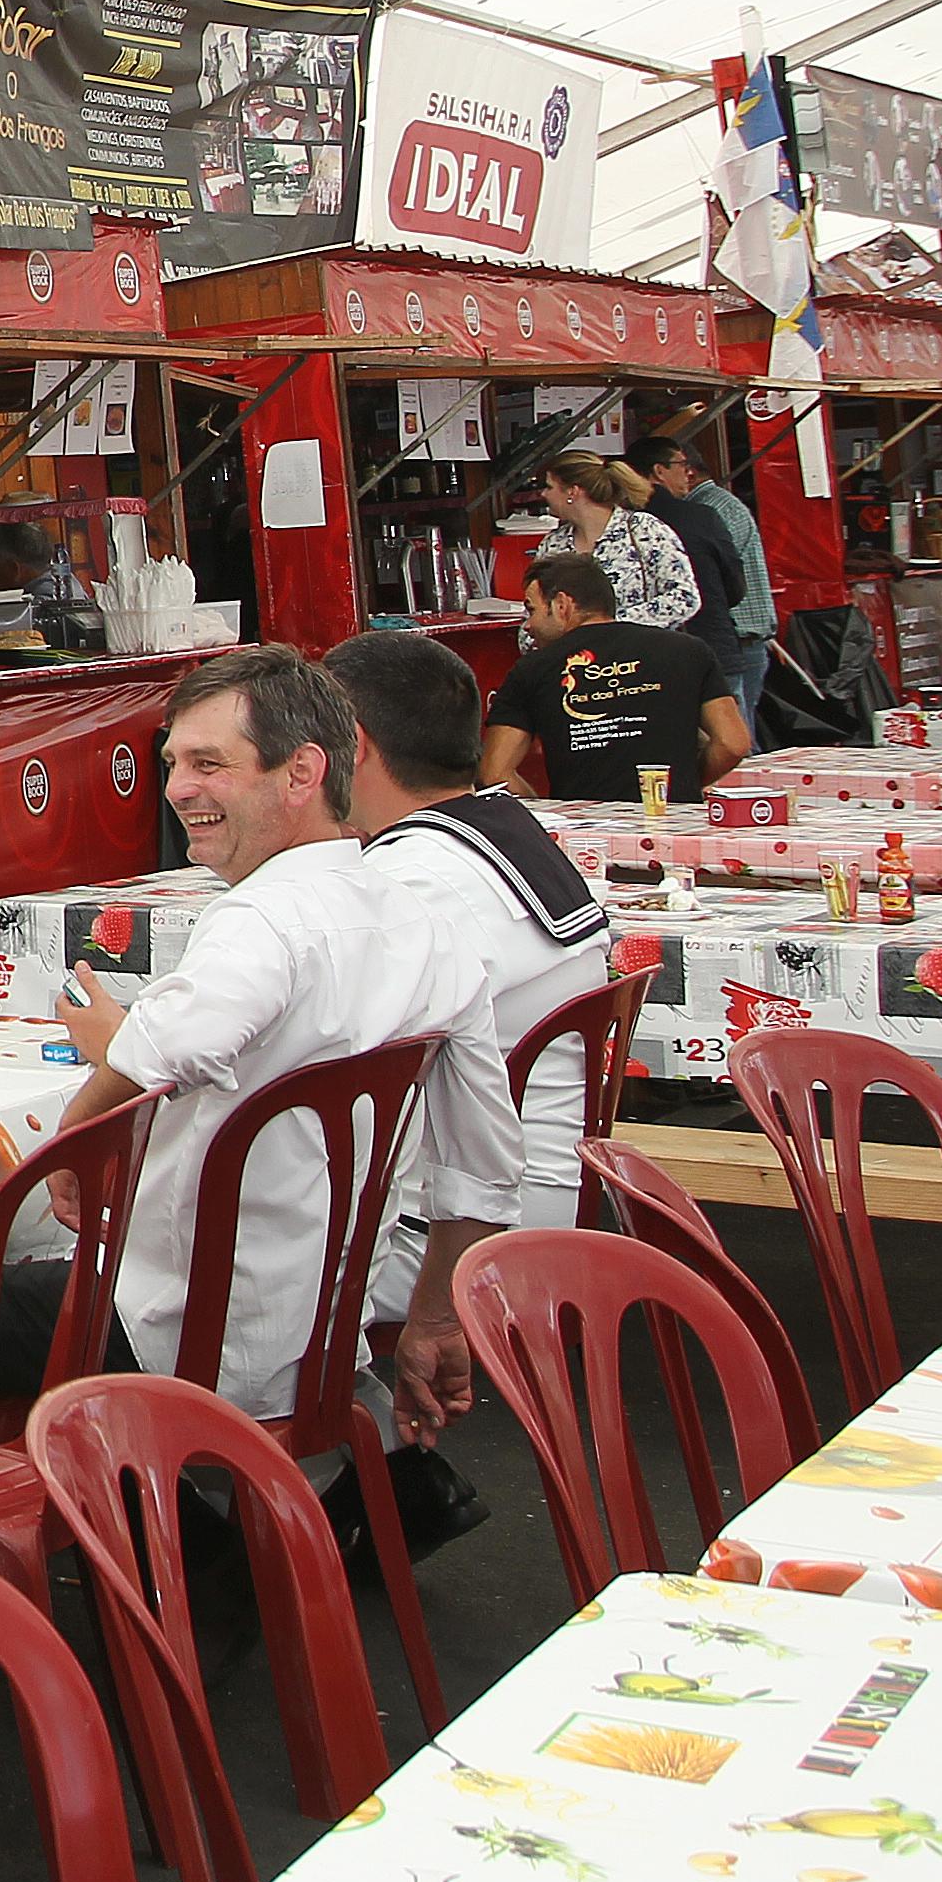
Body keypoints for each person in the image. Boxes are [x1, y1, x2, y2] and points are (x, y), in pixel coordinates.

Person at [42, 651, 518, 1432]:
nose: (177, 789)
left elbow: (168, 1048)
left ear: (302, 773)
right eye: (172, 763)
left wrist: (73, 1141)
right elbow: (485, 1165)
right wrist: (435, 1320)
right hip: (331, 1342)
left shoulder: (265, 918)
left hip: (174, 1338)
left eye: (208, 764)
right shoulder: (425, 923)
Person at [325, 626, 613, 1552]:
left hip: (468, 1226)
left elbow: (314, 1065)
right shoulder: (500, 829)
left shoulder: (416, 877)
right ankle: (365, 1485)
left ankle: (287, 1508)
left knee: (162, 1253)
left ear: (351, 747)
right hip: (541, 1184)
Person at [483, 552, 750, 801]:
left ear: (562, 605)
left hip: (586, 839)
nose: (527, 626)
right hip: (676, 825)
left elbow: (495, 774)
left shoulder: (531, 670)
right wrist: (681, 784)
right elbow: (733, 743)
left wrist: (547, 814)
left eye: (531, 610)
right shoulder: (688, 650)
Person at [636, 428, 777, 719]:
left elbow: (725, 583)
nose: (687, 473)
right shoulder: (702, 510)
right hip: (726, 639)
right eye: (681, 466)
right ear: (660, 472)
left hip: (736, 636)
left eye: (688, 466)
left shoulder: (712, 508)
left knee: (735, 739)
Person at [537, 451, 703, 634]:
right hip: (576, 659)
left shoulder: (644, 530)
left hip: (644, 656)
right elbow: (535, 608)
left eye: (549, 486)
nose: (544, 494)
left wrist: (610, 626)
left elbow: (685, 597)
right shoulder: (552, 545)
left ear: (572, 492)